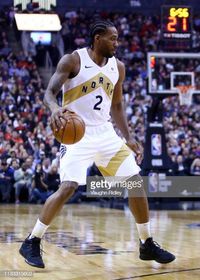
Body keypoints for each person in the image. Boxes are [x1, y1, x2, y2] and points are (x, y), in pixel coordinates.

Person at [19, 20, 175, 268]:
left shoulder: (118, 67)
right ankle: (32, 240)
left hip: (105, 134)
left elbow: (117, 106)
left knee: (134, 182)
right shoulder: (73, 60)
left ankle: (146, 243)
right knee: (68, 187)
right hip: (76, 134)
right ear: (97, 38)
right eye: (113, 38)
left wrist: (129, 137)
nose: (117, 43)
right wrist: (54, 108)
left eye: (117, 38)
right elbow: (49, 93)